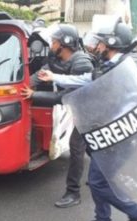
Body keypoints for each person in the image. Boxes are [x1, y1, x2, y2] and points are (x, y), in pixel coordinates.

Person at [35, 17, 137, 221]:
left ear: (110, 43)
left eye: (99, 43)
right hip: (106, 133)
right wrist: (54, 77)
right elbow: (86, 81)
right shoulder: (109, 65)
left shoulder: (126, 67)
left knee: (99, 182)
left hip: (118, 136)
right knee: (102, 180)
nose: (95, 47)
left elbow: (127, 101)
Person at [23, 24, 94, 208]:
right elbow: (40, 76)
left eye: (54, 42)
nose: (51, 44)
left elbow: (65, 97)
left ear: (66, 43)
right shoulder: (56, 59)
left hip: (89, 110)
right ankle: (102, 176)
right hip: (77, 108)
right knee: (92, 147)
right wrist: (21, 88)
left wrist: (34, 96)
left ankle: (73, 193)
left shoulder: (82, 63)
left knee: (77, 148)